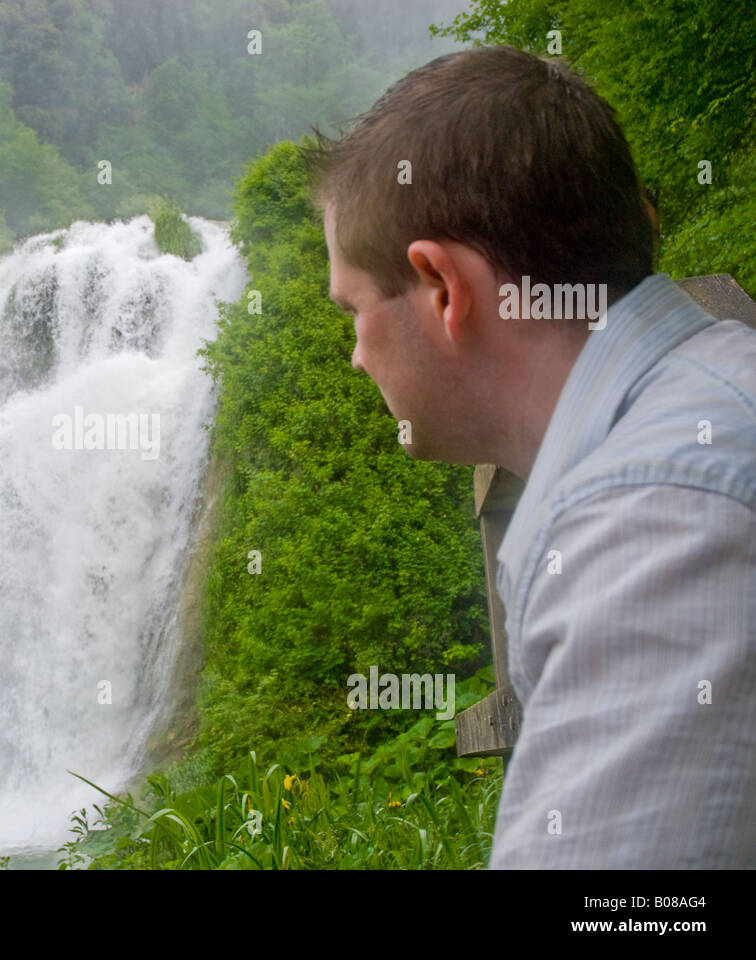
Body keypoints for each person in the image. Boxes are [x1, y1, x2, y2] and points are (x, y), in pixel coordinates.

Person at [301, 44, 756, 868]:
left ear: (442, 289)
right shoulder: (709, 399)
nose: (356, 357)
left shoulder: (652, 515)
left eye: (352, 311)